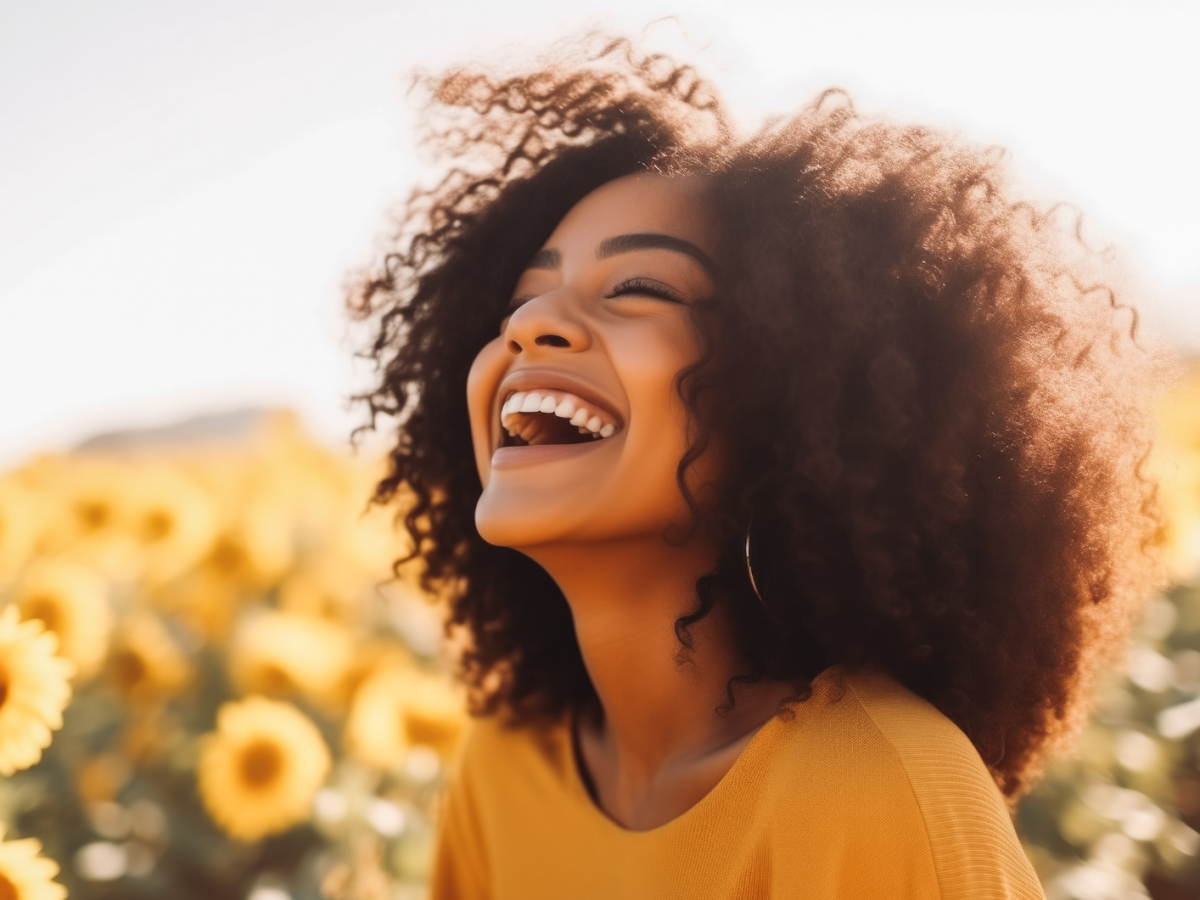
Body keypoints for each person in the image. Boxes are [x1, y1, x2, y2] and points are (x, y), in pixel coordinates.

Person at [350, 35, 1167, 899]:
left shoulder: (879, 787)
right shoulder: (505, 766)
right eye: (520, 300)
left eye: (640, 289)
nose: (531, 325)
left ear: (796, 396)